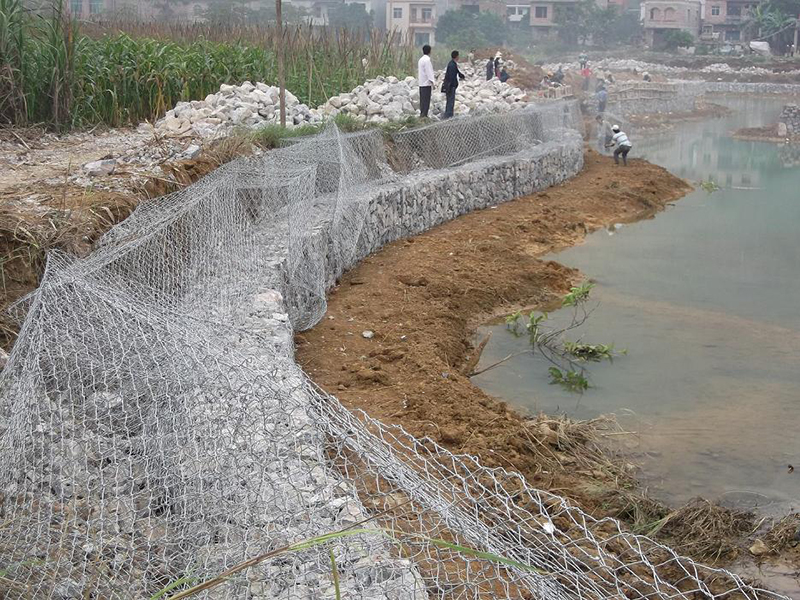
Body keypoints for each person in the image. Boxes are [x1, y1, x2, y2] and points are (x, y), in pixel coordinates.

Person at [442, 50, 465, 119]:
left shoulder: (452, 63)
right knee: (450, 101)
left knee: (450, 101)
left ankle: (448, 115)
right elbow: (452, 76)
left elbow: (458, 72)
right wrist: (454, 84)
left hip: (450, 85)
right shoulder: (452, 65)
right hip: (451, 86)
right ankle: (448, 116)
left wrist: (462, 76)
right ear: (457, 56)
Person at [417, 44, 435, 118]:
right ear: (429, 51)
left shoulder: (420, 60)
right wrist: (432, 81)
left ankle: (422, 114)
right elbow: (429, 71)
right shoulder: (427, 60)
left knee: (422, 100)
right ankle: (424, 115)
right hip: (426, 83)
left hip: (421, 82)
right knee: (426, 100)